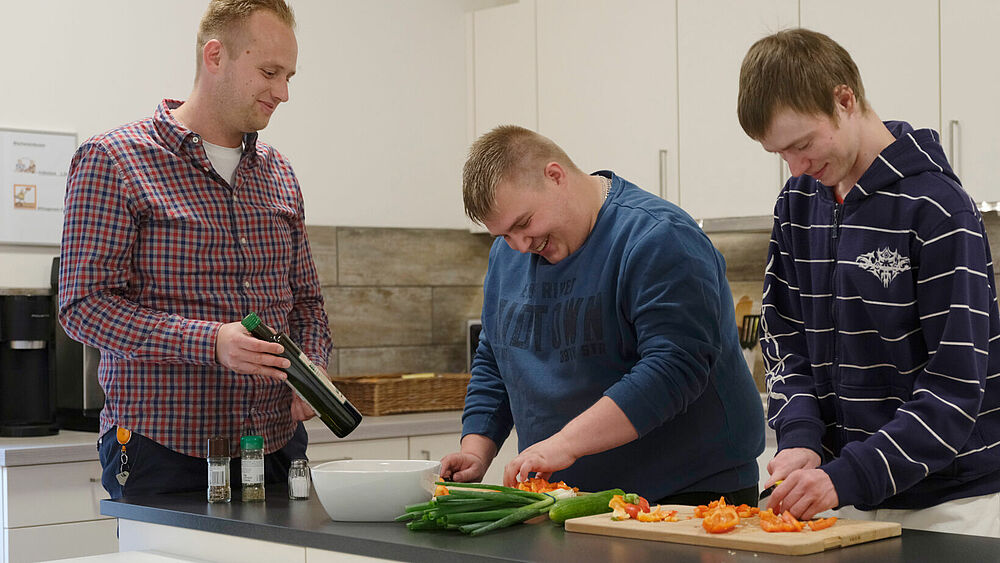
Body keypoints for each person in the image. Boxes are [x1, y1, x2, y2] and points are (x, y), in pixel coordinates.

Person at [58, 0, 329, 498]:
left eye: (289, 75)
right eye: (270, 72)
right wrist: (211, 342)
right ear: (214, 56)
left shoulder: (281, 174)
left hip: (277, 447)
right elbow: (83, 307)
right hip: (162, 452)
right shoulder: (114, 161)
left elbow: (308, 302)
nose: (284, 92)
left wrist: (312, 368)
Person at [738, 28, 1000, 536]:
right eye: (780, 154)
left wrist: (844, 477)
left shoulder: (940, 209)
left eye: (804, 144)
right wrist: (798, 438)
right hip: (842, 497)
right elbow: (783, 342)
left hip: (949, 504)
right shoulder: (797, 206)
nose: (797, 167)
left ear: (845, 99)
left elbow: (954, 389)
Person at [440, 125, 765, 506]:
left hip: (688, 498)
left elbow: (674, 368)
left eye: (524, 224)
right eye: (504, 235)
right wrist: (477, 449)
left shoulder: (659, 237)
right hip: (565, 501)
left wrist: (565, 444)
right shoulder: (510, 253)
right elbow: (497, 358)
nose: (520, 246)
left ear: (555, 176)